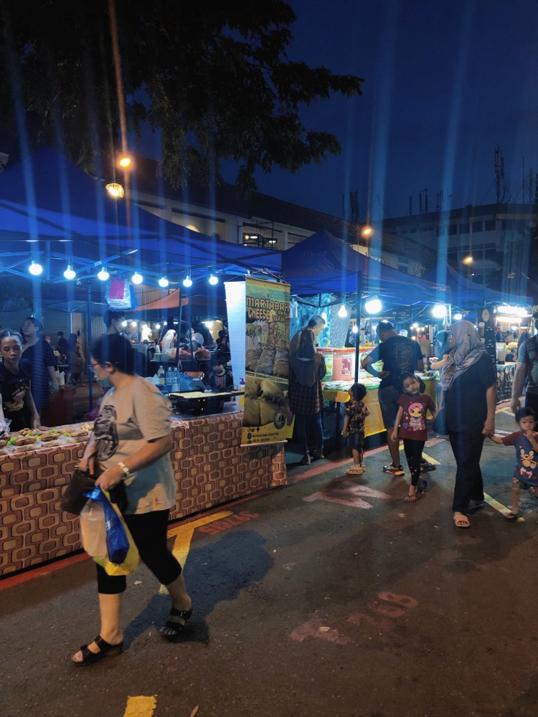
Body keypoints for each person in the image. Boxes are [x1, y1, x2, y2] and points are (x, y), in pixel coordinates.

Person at [71, 334, 192, 665]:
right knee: (109, 557)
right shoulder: (113, 392)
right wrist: (88, 454)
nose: (92, 369)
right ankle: (110, 635)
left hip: (146, 493)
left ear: (109, 365)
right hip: (115, 494)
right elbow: (102, 429)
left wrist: (120, 468)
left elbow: (163, 442)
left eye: (95, 364)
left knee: (153, 554)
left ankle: (182, 602)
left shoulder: (144, 393)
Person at [440, 320, 497, 529]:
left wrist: (490, 418)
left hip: (473, 417)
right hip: (454, 418)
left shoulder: (481, 358)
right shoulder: (455, 358)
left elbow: (490, 388)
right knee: (467, 461)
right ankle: (477, 495)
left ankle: (460, 508)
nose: (451, 338)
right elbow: (446, 388)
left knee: (466, 462)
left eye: (454, 334)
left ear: (466, 335)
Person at [361, 321, 424, 477]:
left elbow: (365, 363)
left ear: (381, 332)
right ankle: (417, 460)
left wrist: (377, 374)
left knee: (391, 426)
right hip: (409, 389)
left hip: (388, 388)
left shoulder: (384, 346)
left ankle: (396, 465)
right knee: (413, 424)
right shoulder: (413, 344)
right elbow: (421, 367)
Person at [391, 374, 436, 502]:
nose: (412, 386)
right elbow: (399, 414)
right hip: (406, 435)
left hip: (419, 435)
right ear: (404, 389)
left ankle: (412, 490)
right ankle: (418, 482)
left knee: (415, 460)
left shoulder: (426, 398)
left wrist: (434, 421)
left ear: (418, 382)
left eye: (413, 382)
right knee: (410, 461)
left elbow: (434, 411)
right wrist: (395, 430)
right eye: (407, 385)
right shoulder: (403, 398)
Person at [289, 315, 327, 465]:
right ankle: (319, 450)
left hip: (298, 391)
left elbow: (291, 373)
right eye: (320, 329)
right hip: (313, 393)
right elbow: (322, 374)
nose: (319, 333)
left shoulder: (293, 356)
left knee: (301, 423)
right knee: (316, 421)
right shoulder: (318, 357)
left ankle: (305, 454)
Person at [489, 407, 538, 520]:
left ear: (535, 422)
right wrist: (489, 435)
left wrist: (531, 439)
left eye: (531, 422)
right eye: (524, 422)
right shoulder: (517, 436)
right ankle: (514, 510)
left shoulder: (536, 436)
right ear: (518, 423)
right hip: (521, 472)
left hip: (536, 473)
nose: (528, 425)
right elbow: (501, 440)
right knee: (515, 487)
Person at [0, 330, 41, 431]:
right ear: (0, 351)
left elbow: (28, 391)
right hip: (4, 421)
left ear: (22, 347)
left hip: (23, 416)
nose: (12, 353)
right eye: (6, 349)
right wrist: (2, 423)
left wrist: (35, 415)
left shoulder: (26, 365)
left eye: (16, 348)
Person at [21, 316, 58, 418]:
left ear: (36, 328)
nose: (24, 327)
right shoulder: (21, 346)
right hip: (23, 387)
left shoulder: (43, 345)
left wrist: (55, 382)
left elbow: (50, 365)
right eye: (23, 325)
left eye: (28, 325)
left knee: (36, 415)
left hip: (38, 385)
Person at [341, 383, 369, 475]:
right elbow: (367, 413)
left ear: (353, 393)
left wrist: (344, 429)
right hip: (361, 430)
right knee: (359, 447)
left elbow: (346, 417)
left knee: (354, 447)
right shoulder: (362, 404)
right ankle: (360, 464)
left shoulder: (352, 406)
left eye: (350, 389)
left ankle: (356, 465)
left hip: (353, 430)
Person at [511, 330, 538, 415]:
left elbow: (520, 371)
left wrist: (515, 398)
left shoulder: (527, 344)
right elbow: (520, 372)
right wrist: (515, 397)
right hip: (534, 394)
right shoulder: (528, 345)